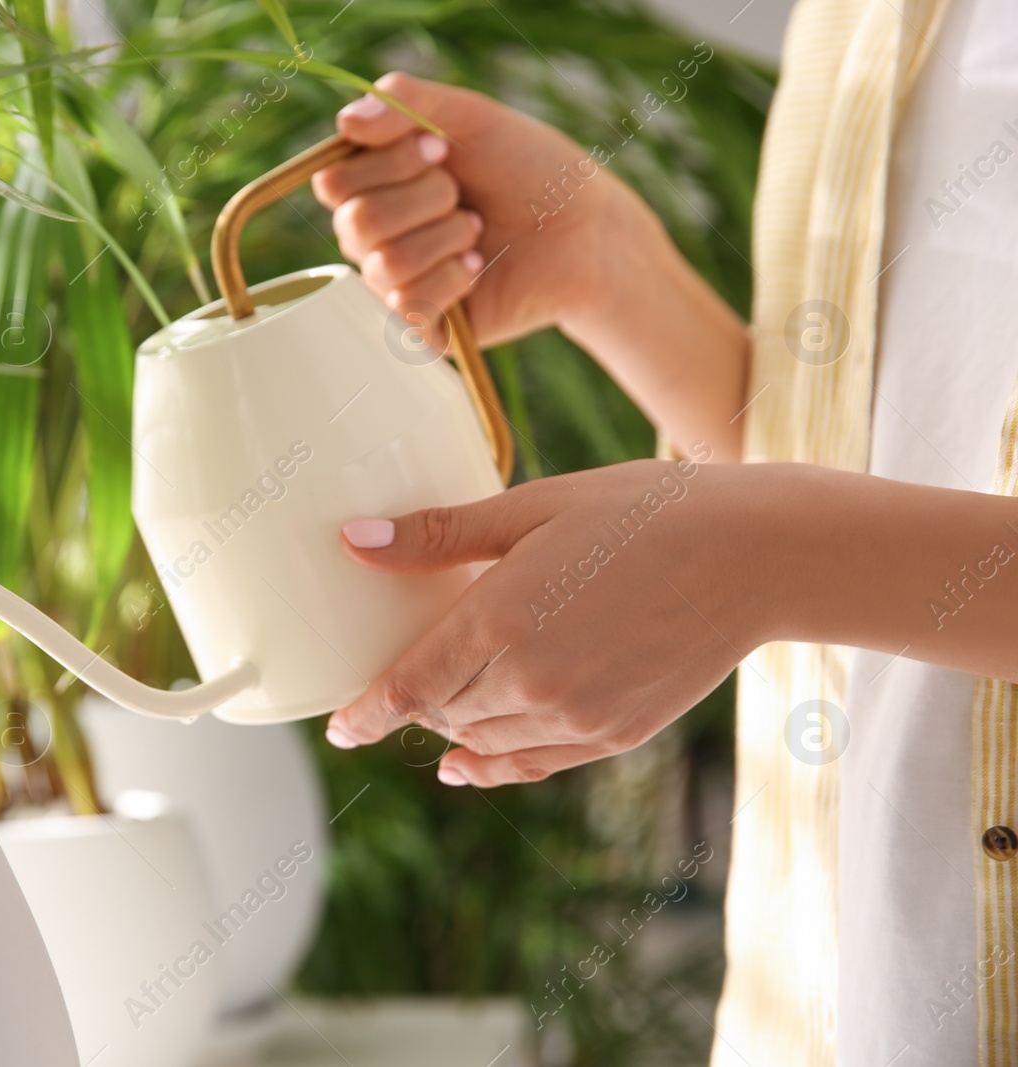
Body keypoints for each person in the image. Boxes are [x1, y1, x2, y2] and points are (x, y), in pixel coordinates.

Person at [309, 1, 1018, 1064]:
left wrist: (773, 556)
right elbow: (863, 457)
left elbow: (815, 542)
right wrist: (606, 264)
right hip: (838, 993)